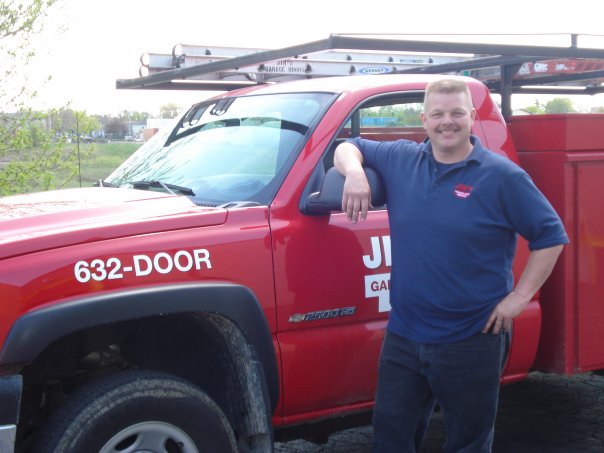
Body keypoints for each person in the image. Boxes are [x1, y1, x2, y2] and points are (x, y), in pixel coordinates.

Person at [333, 78, 568, 453]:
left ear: (472, 117)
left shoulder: (502, 176)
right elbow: (347, 146)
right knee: (390, 438)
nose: (448, 122)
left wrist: (519, 298)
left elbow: (551, 236)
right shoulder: (401, 158)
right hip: (405, 336)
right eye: (438, 114)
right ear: (424, 119)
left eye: (457, 113)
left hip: (472, 338)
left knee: (467, 444)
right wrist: (356, 174)